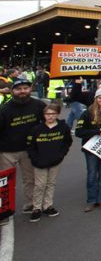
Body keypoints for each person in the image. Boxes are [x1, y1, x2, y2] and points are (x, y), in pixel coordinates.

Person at [0, 79, 46, 224]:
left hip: (29, 150)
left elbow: (47, 123)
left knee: (30, 179)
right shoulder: (4, 109)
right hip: (7, 151)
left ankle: (30, 204)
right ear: (12, 91)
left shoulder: (38, 105)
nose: (22, 91)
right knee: (5, 183)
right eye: (18, 89)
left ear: (30, 89)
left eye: (25, 88)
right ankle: (4, 211)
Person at [26, 103, 72, 222]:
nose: (50, 116)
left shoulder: (63, 128)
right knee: (40, 185)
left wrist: (61, 155)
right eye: (47, 114)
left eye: (53, 114)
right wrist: (34, 159)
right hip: (40, 162)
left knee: (51, 183)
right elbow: (30, 146)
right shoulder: (36, 129)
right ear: (44, 115)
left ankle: (47, 205)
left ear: (57, 114)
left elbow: (67, 142)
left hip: (55, 161)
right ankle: (36, 208)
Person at [75, 85, 101, 212]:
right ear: (96, 98)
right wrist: (97, 132)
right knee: (92, 175)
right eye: (100, 97)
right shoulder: (87, 113)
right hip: (90, 149)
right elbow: (79, 132)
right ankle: (91, 200)